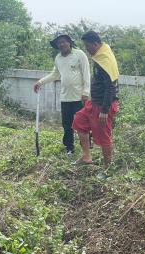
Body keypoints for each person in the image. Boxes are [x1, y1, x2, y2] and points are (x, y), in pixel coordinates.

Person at [72, 30, 120, 180]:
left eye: (88, 47)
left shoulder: (105, 59)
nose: (87, 50)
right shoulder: (100, 55)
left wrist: (104, 111)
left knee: (104, 136)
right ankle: (86, 156)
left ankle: (108, 169)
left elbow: (111, 87)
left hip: (103, 105)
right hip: (94, 102)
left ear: (95, 43)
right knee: (79, 121)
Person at [34, 32, 90, 155]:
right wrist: (40, 82)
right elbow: (55, 74)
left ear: (69, 42)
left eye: (64, 41)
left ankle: (86, 147)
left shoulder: (80, 54)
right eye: (59, 42)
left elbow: (86, 73)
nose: (62, 44)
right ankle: (69, 148)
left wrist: (86, 92)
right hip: (65, 97)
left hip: (80, 97)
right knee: (67, 124)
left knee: (83, 124)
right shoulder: (58, 58)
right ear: (57, 45)